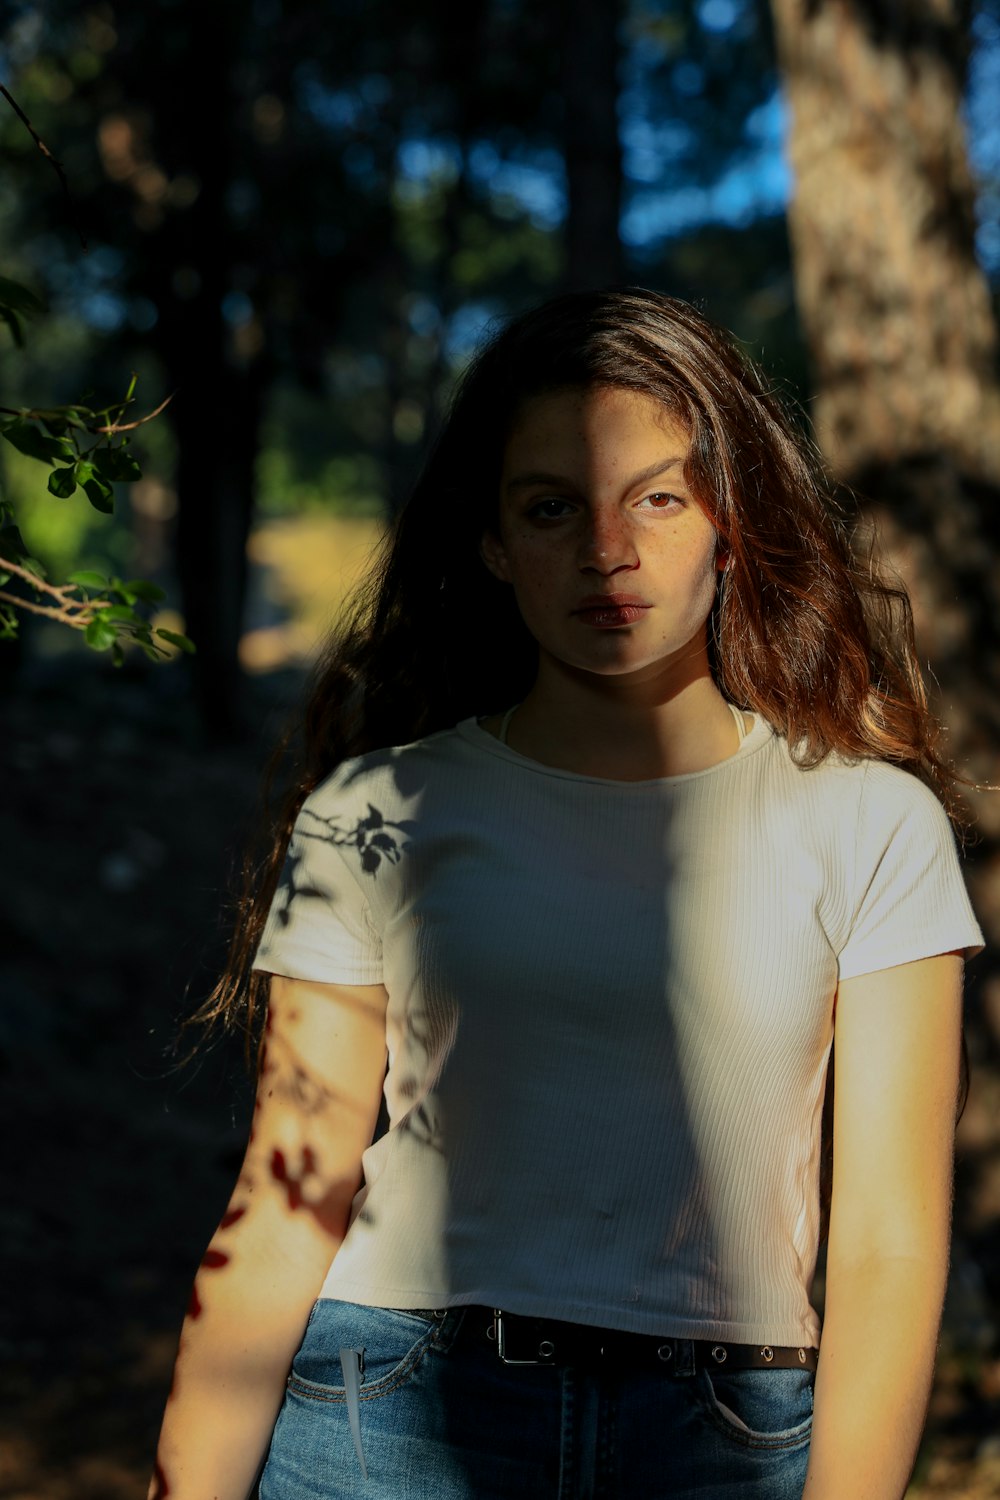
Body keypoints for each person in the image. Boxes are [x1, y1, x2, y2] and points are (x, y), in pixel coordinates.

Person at [148, 288, 984, 1500]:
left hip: (722, 1442)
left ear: (731, 521)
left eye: (657, 496)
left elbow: (890, 1245)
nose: (607, 550)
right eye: (552, 508)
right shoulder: (377, 810)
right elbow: (287, 1194)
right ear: (493, 544)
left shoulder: (869, 822)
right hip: (383, 1421)